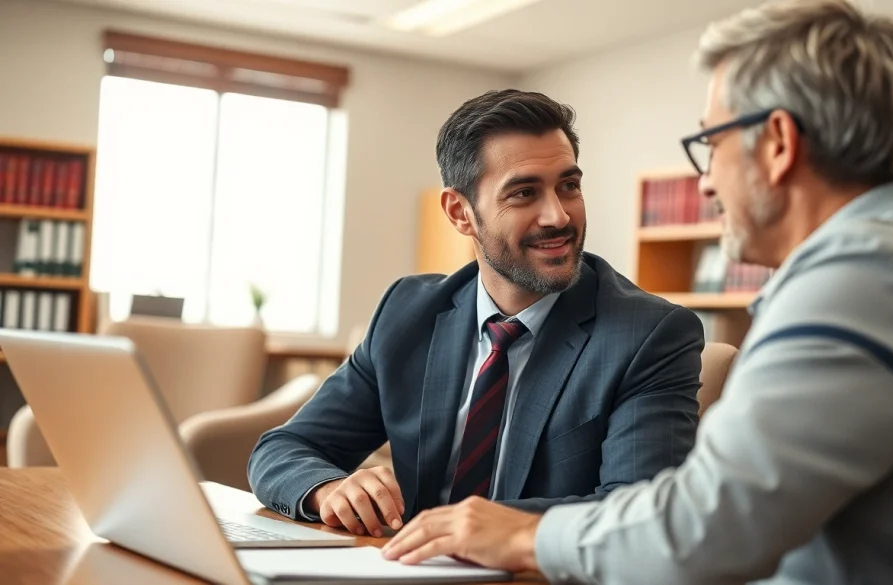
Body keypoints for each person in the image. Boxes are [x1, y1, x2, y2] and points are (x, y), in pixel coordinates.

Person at [380, 1, 893, 583]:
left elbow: (703, 531)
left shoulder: (865, 281)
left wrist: (527, 533)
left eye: (711, 144)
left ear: (777, 144)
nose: (707, 183)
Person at [247, 89, 705, 539]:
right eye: (524, 193)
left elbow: (639, 508)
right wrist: (328, 489)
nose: (559, 216)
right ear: (460, 212)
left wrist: (475, 527)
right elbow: (284, 448)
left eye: (569, 186)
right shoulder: (408, 312)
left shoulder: (648, 334)